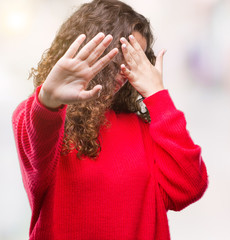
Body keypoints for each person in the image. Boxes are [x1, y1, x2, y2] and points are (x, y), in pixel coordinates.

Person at [11, 0, 208, 239]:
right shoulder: (39, 116)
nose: (125, 70)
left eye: (135, 59)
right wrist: (48, 100)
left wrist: (157, 96)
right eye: (120, 53)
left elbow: (189, 187)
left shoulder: (144, 131)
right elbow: (37, 144)